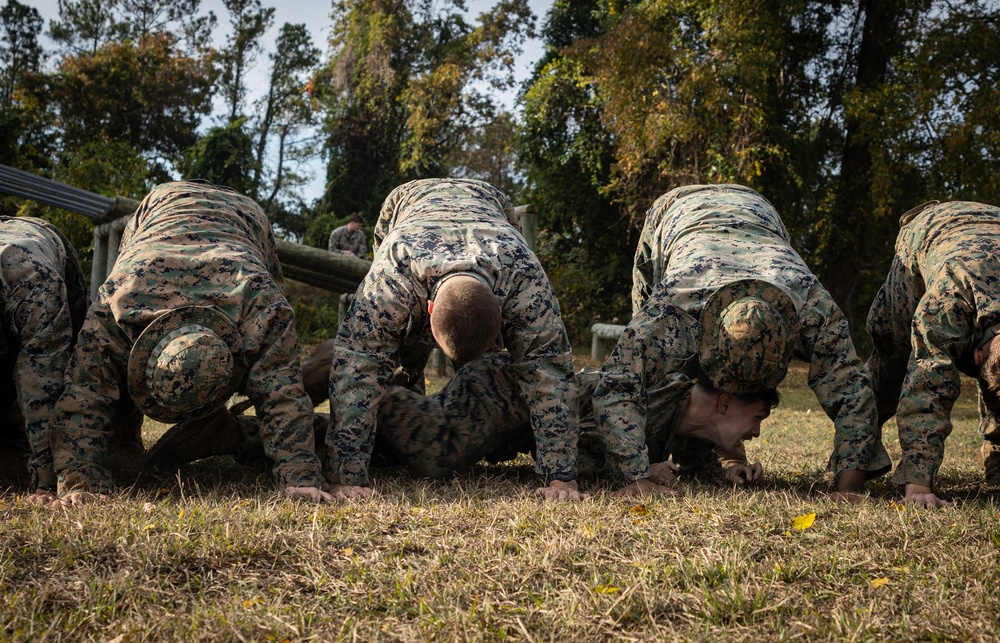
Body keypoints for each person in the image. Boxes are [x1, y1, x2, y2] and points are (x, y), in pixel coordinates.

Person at [48, 180, 335, 506]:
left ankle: (224, 429)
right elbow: (85, 392)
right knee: (106, 363)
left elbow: (282, 394)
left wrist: (300, 479)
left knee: (271, 362)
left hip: (245, 218)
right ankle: (124, 437)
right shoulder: (118, 301)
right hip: (159, 207)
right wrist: (79, 480)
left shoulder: (263, 306)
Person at [594, 183, 891, 497]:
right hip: (673, 213)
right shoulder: (674, 305)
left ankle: (704, 452)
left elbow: (853, 392)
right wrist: (635, 476)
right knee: (657, 379)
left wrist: (849, 489)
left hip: (760, 214)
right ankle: (661, 449)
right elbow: (619, 384)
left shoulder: (811, 307)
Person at [144, 349, 777, 494]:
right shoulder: (649, 397)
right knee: (434, 455)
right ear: (722, 402)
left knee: (392, 459)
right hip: (504, 392)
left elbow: (687, 460)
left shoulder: (686, 427)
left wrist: (721, 473)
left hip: (510, 420)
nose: (754, 432)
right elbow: (578, 450)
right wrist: (636, 471)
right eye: (754, 418)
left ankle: (237, 436)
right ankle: (363, 376)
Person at [325, 178, 583, 500]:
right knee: (389, 348)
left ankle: (399, 425)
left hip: (492, 204)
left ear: (506, 312)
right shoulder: (390, 279)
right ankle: (403, 396)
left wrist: (560, 478)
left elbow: (549, 371)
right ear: (426, 309)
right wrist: (347, 476)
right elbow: (356, 368)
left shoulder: (525, 279)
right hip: (406, 204)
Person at [867, 200, 1000, 508]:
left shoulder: (979, 340)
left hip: (991, 223)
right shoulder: (946, 306)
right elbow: (927, 383)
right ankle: (854, 455)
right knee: (894, 357)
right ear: (975, 358)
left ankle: (997, 449)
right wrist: (918, 482)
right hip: (928, 230)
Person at [0, 217, 88, 494]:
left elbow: (44, 381)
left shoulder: (36, 287)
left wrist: (50, 479)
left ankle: (124, 433)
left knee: (79, 354)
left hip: (41, 240)